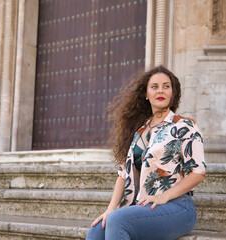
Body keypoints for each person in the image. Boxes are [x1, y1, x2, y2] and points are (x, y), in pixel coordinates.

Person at [86, 65, 206, 240]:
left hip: (177, 207)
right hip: (141, 206)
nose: (161, 91)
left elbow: (198, 173)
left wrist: (163, 197)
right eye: (154, 86)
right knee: (96, 231)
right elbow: (123, 174)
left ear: (173, 93)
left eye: (166, 86)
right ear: (146, 94)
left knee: (118, 220)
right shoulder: (138, 131)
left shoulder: (184, 126)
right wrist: (111, 208)